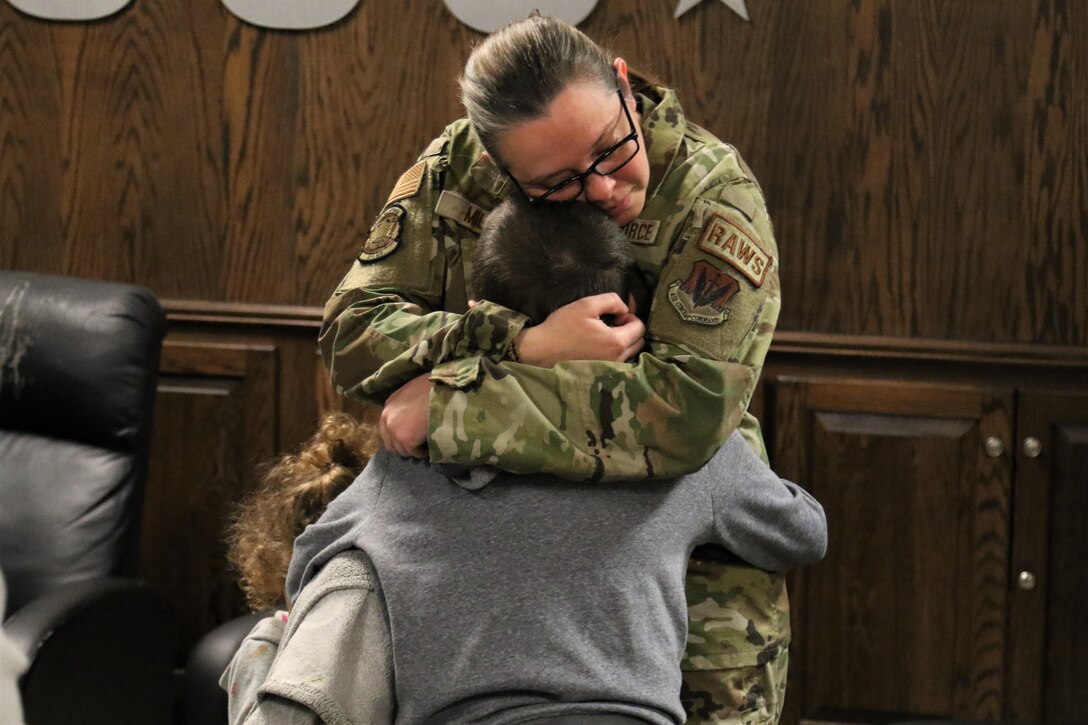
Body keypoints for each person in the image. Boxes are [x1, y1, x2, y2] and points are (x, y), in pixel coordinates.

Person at [318, 14, 785, 720]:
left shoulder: (712, 196)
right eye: (559, 183)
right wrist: (526, 343)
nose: (602, 190)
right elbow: (351, 332)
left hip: (684, 587)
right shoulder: (458, 169)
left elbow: (684, 415)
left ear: (624, 86)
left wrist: (452, 409)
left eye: (611, 149)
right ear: (498, 166)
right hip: (488, 576)